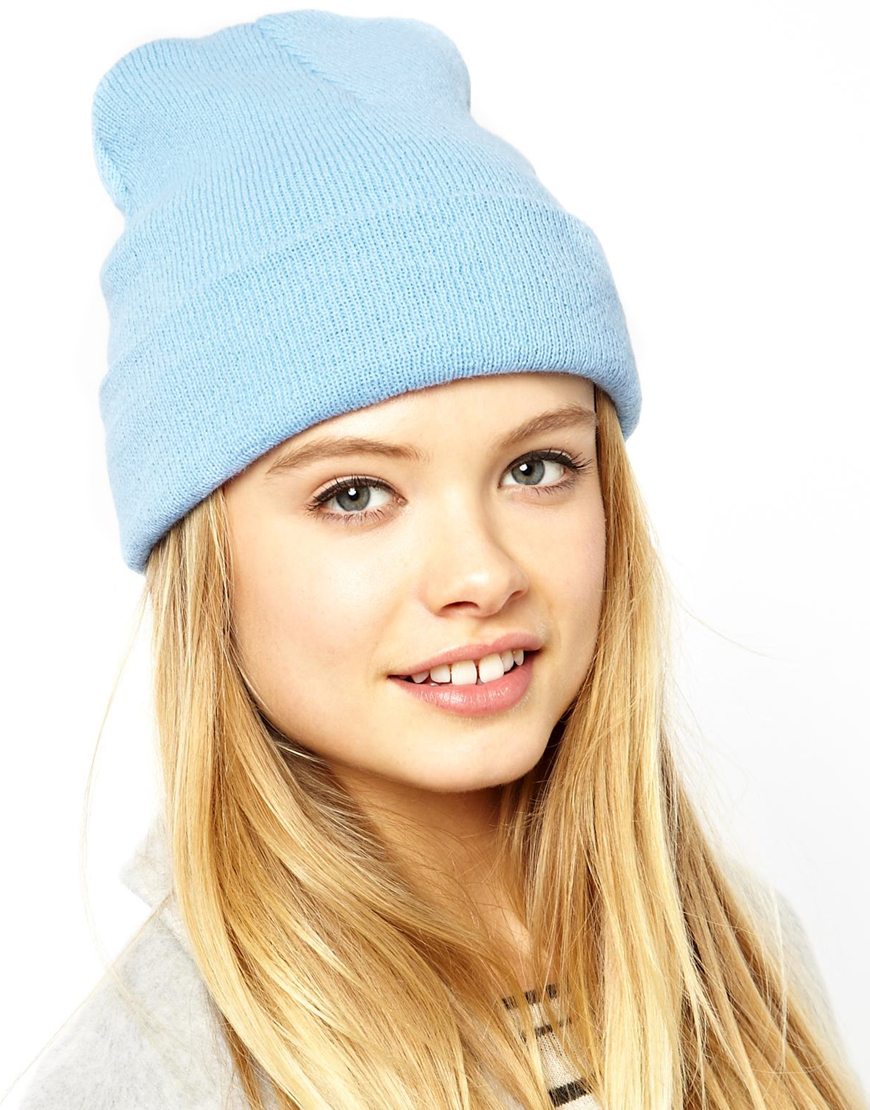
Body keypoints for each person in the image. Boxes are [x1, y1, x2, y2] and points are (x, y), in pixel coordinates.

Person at [16, 9, 866, 1109]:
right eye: (355, 494)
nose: (481, 573)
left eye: (537, 468)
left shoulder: (742, 961)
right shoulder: (146, 1084)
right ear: (204, 563)